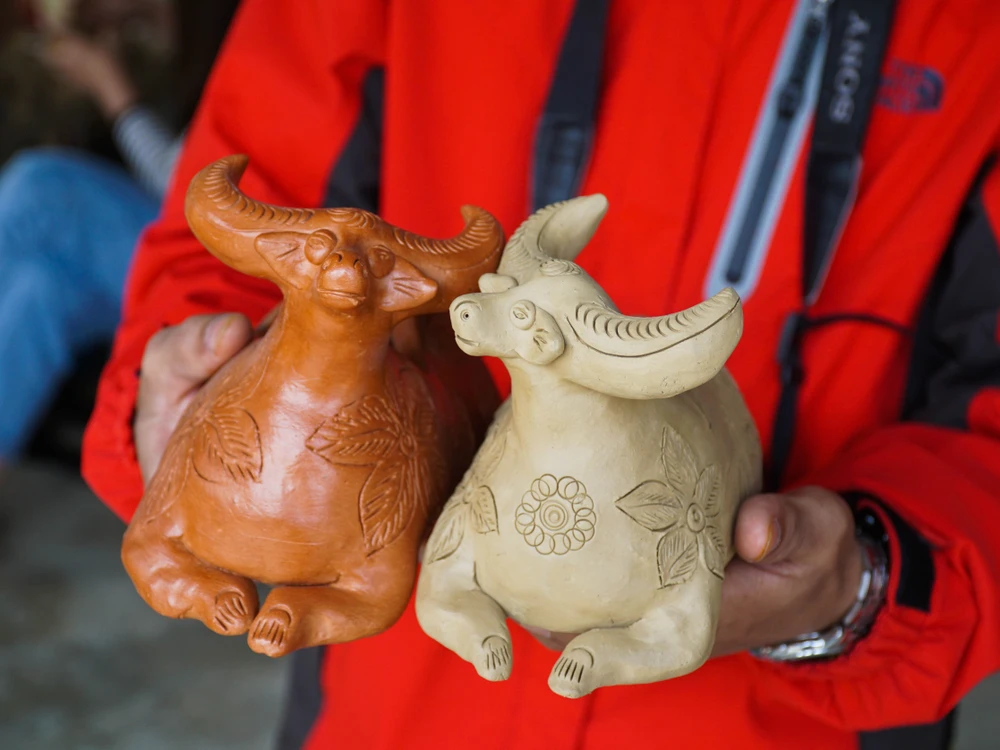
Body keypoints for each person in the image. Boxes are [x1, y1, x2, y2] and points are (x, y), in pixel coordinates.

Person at [81, 1, 1000, 748]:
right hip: (389, 715)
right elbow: (244, 227)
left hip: (776, 723)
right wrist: (183, 394)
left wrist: (866, 582)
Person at [0, 0, 238, 468]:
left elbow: (195, 191)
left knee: (39, 185)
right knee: (41, 289)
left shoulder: (223, 24)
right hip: (160, 255)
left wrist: (113, 90)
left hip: (220, 255)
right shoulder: (147, 35)